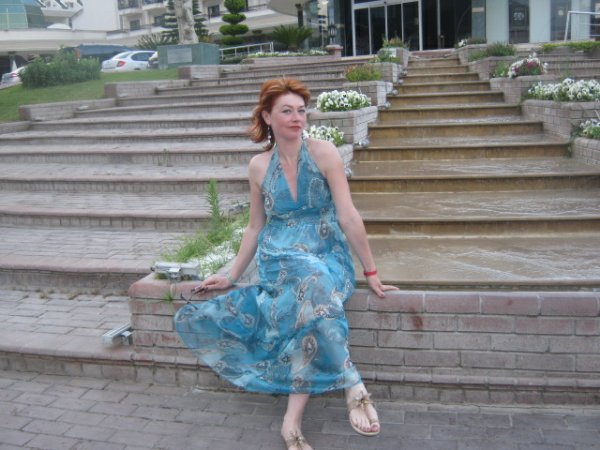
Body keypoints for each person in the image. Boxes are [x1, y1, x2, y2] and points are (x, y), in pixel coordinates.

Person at [174, 78, 398, 450]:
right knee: (311, 286)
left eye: (301, 110)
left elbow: (348, 215)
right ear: (267, 116)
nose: (297, 117)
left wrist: (370, 272)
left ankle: (292, 422)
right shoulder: (258, 166)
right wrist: (231, 274)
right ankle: (352, 384)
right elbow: (254, 227)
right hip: (279, 257)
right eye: (287, 111)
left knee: (312, 293)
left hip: (327, 253)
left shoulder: (324, 153)